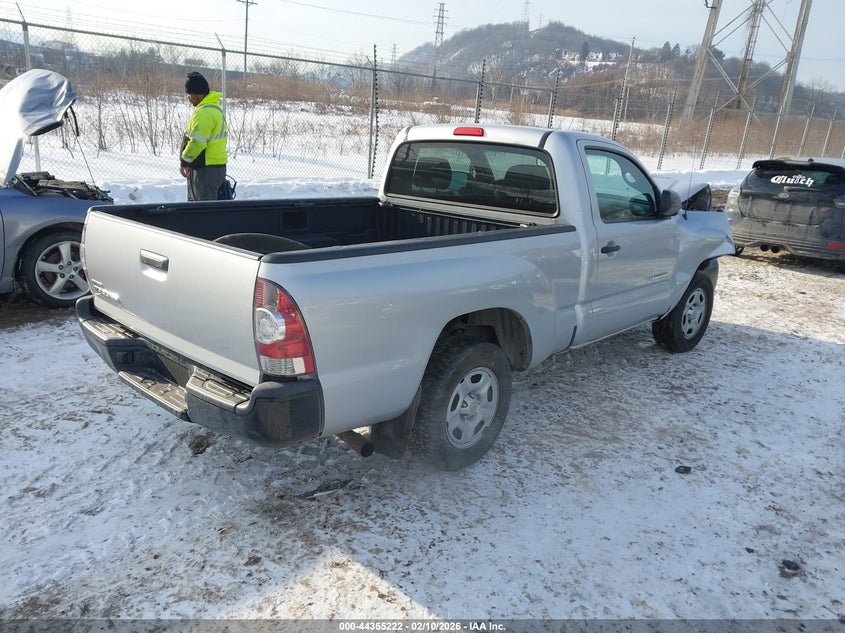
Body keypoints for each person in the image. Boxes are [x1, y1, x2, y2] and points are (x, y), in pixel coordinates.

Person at [180, 71, 228, 201]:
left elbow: (197, 142)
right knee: (211, 208)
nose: (188, 97)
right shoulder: (215, 109)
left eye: (189, 94)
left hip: (205, 170)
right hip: (214, 167)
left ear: (198, 94)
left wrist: (185, 161)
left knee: (201, 209)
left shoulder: (204, 113)